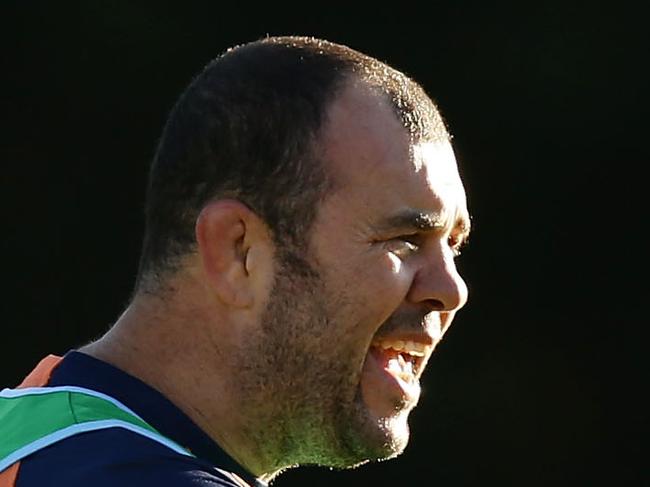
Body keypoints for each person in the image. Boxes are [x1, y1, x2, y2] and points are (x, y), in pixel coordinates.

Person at [0, 36, 471, 486]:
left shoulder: (33, 431)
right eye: (406, 238)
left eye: (453, 246)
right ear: (238, 252)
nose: (452, 290)